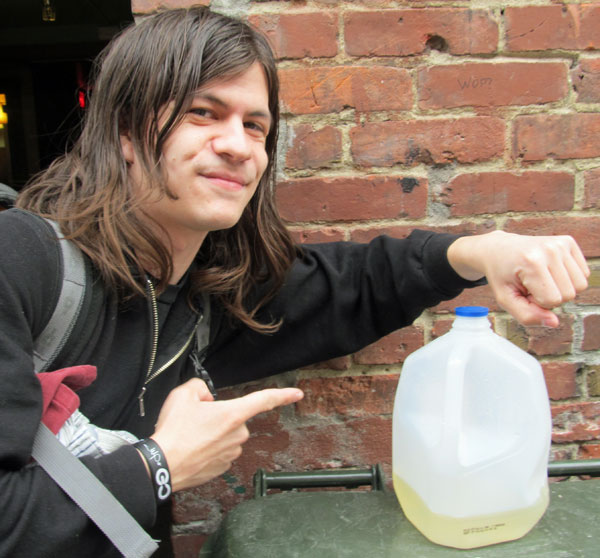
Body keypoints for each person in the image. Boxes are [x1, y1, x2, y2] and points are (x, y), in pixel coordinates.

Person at [0, 7, 589, 558]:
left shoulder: (203, 298)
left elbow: (352, 285)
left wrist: (485, 251)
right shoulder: (21, 263)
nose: (237, 146)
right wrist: (162, 463)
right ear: (126, 133)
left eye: (255, 126)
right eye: (202, 113)